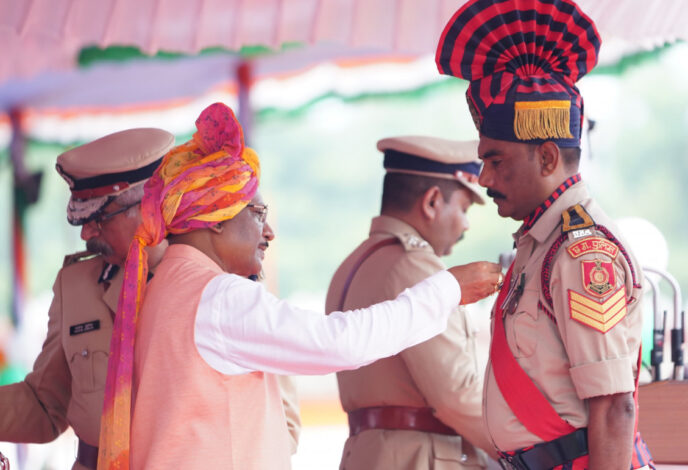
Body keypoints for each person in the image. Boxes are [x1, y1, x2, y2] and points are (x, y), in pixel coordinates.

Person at [94, 102, 502, 470]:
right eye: (257, 213)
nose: (268, 231)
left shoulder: (164, 286)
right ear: (215, 218)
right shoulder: (217, 298)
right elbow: (339, 343)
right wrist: (446, 289)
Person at [435, 1, 655, 469]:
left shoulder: (581, 252)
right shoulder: (539, 246)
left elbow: (615, 408)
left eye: (496, 161)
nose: (484, 178)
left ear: (548, 158)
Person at [0, 128, 301, 470]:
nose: (85, 233)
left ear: (150, 206)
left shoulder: (223, 286)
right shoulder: (77, 285)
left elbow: (283, 424)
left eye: (99, 217)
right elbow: (45, 405)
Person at [326, 135, 494, 469]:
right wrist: (535, 449)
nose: (465, 224)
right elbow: (456, 397)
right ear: (432, 201)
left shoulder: (352, 264)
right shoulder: (415, 266)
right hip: (418, 458)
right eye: (462, 208)